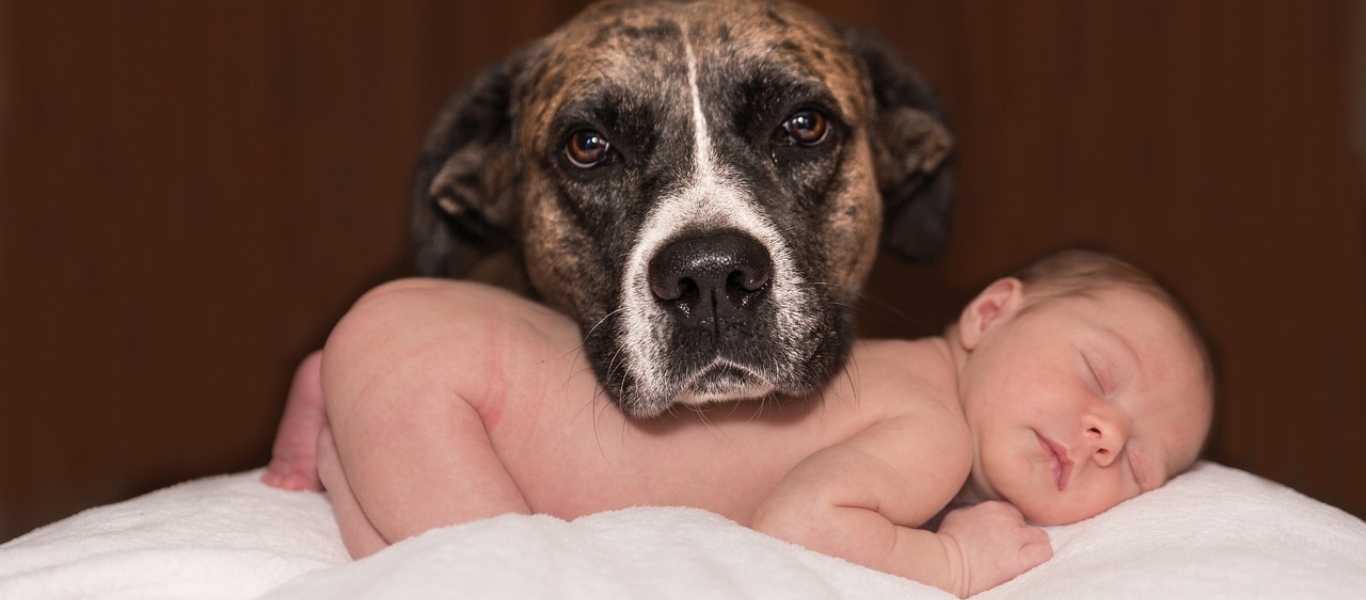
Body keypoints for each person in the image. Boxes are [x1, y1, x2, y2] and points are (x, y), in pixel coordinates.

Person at [262, 249, 1215, 597]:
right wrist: (952, 566)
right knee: (492, 572)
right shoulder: (934, 431)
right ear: (991, 313)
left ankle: (344, 389)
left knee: (397, 516)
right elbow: (801, 527)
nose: (1101, 435)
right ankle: (359, 385)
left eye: (1137, 464)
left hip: (430, 336)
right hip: (456, 392)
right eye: (1097, 376)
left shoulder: (903, 383)